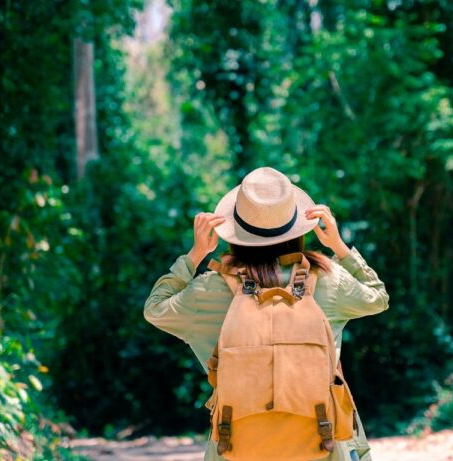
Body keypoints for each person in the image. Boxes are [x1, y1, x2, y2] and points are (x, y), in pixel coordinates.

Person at [144, 167, 390, 461]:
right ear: (296, 226)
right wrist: (338, 247)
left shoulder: (208, 289)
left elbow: (155, 308)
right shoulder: (327, 279)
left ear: (236, 231)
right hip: (323, 446)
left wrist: (195, 255)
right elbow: (378, 297)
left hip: (236, 448)